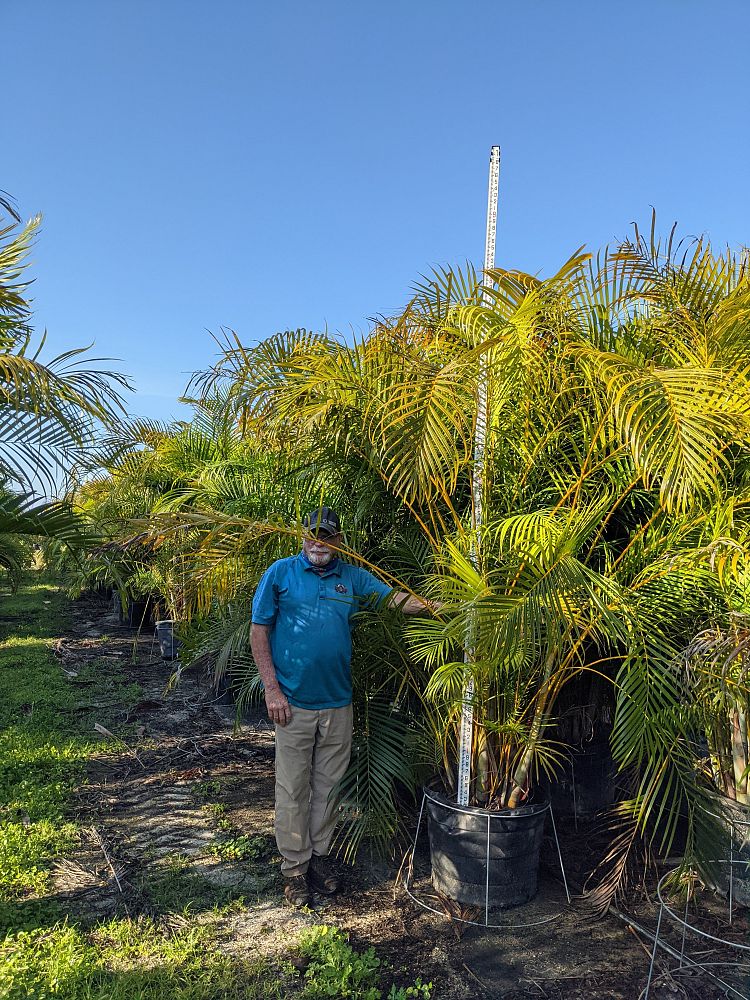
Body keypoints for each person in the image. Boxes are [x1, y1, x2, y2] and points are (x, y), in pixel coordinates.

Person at [250, 506, 433, 906]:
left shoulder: (351, 577)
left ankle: (319, 859)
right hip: (292, 704)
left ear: (338, 542)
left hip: (338, 704)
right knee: (292, 788)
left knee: (329, 790)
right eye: (313, 534)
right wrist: (272, 690)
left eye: (327, 536)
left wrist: (434, 604)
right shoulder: (280, 573)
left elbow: (392, 599)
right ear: (302, 535)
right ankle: (294, 871)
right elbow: (258, 630)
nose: (319, 542)